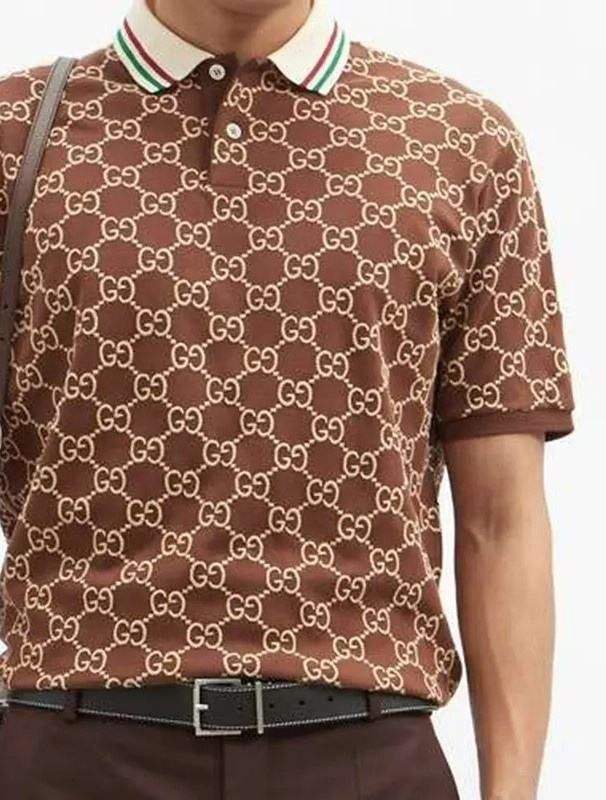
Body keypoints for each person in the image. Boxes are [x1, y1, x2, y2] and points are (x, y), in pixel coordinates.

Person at [0, 0, 575, 798]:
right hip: (74, 753)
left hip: (367, 756)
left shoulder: (461, 143)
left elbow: (501, 519)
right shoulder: (17, 134)